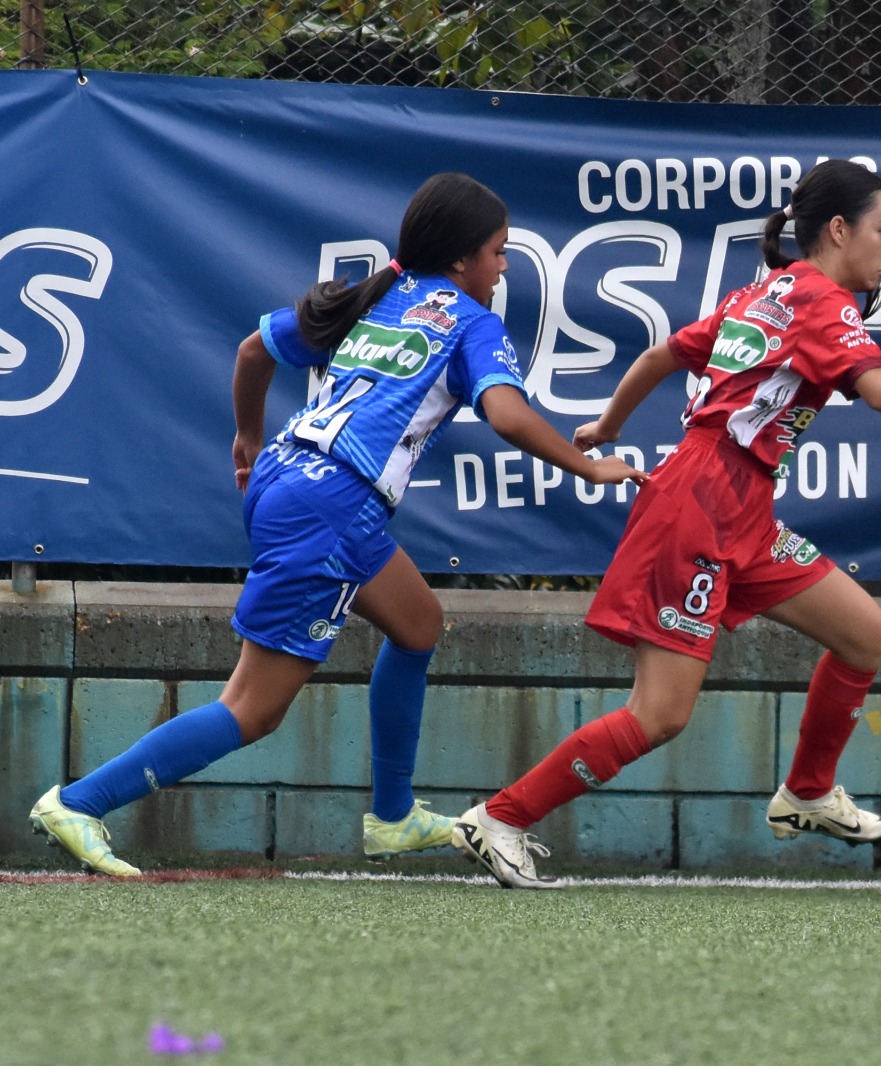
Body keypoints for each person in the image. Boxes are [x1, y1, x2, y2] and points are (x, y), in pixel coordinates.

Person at [28, 172, 646, 877]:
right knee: (254, 709)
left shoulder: (382, 294)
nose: (504, 269)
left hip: (291, 478)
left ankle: (393, 817)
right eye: (499, 253)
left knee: (417, 625)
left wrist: (247, 440)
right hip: (333, 507)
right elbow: (507, 414)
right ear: (461, 261)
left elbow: (251, 352)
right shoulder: (471, 322)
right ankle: (80, 801)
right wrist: (588, 466)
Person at [451, 159, 881, 889]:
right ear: (837, 229)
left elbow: (663, 353)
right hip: (699, 506)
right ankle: (502, 817)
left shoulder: (770, 289)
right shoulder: (821, 301)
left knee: (866, 636)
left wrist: (608, 423)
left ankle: (809, 791)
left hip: (741, 506)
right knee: (661, 714)